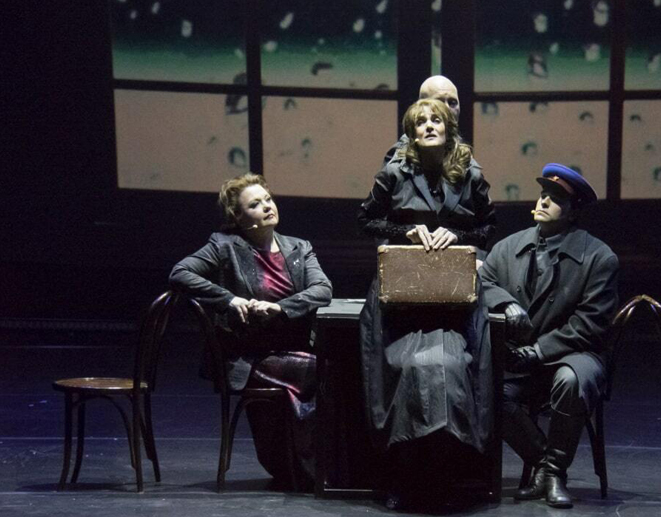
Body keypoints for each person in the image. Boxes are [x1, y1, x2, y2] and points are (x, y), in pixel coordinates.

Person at [358, 98, 496, 510]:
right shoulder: (394, 172)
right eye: (421, 122)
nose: (429, 126)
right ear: (412, 133)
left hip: (452, 299)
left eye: (437, 120)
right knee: (406, 372)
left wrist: (457, 235)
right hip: (401, 298)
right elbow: (365, 220)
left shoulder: (470, 174)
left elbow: (488, 227)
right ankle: (404, 478)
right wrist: (406, 232)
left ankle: (445, 479)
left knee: (448, 371)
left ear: (449, 127)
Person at [169, 173, 333, 491]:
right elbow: (180, 273)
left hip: (294, 349)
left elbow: (322, 289)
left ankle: (319, 465)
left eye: (267, 199)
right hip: (249, 355)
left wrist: (281, 308)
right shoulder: (224, 246)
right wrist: (228, 300)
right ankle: (311, 468)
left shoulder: (299, 247)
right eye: (255, 204)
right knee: (324, 371)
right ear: (238, 217)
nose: (267, 206)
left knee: (335, 367)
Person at [478, 164, 619, 508]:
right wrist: (506, 302)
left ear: (572, 212)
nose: (543, 201)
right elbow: (483, 282)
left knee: (570, 380)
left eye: (555, 199)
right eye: (543, 194)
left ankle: (554, 472)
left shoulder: (599, 257)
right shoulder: (509, 247)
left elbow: (590, 324)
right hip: (522, 359)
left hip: (575, 354)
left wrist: (539, 351)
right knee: (485, 387)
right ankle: (545, 463)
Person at [383, 75, 463, 165]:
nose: (447, 108)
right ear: (421, 107)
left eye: (452, 103)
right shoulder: (399, 159)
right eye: (439, 103)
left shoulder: (462, 152)